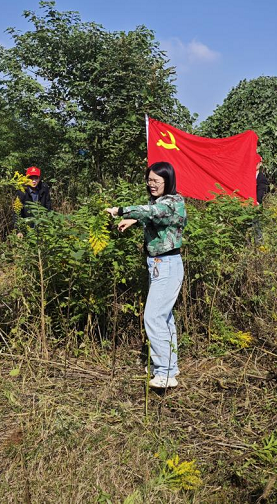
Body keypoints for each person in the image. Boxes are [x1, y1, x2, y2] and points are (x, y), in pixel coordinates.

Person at [106, 162, 187, 389]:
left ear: (168, 181)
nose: (151, 185)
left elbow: (155, 213)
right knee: (164, 317)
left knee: (152, 317)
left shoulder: (174, 201)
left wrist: (121, 210)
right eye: (149, 180)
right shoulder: (159, 203)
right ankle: (168, 365)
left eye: (156, 181)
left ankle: (166, 372)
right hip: (158, 265)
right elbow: (153, 216)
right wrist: (134, 220)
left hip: (168, 264)